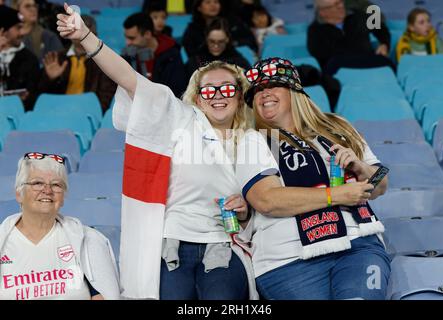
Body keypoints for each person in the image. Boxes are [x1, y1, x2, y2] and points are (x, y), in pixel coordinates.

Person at [56, 4, 280, 300]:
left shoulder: (254, 139)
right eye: (208, 90)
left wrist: (247, 209)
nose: (217, 97)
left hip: (226, 242)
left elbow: (268, 200)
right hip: (172, 243)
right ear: (197, 99)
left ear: (239, 97)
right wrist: (85, 36)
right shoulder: (179, 117)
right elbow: (128, 78)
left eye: (226, 89)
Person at [240, 57, 391, 299]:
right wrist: (336, 195)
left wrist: (360, 167)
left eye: (272, 85)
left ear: (294, 90)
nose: (263, 94)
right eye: (256, 90)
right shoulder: (253, 140)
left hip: (357, 246)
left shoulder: (338, 126)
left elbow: (381, 180)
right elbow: (266, 199)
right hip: (288, 259)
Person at [0, 152, 121, 300]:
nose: (47, 191)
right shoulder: (3, 241)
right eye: (37, 183)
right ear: (19, 194)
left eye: (56, 185)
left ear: (63, 197)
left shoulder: (89, 240)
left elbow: (106, 296)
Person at [38, 15, 116, 113]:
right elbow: (43, 97)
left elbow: (105, 97)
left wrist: (91, 114)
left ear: (95, 34)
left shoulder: (104, 61)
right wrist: (51, 79)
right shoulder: (57, 58)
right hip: (57, 112)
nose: (78, 33)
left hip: (87, 114)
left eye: (83, 29)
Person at [307, 0, 393, 75]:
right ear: (323, 12)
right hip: (340, 71)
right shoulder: (315, 31)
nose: (341, 6)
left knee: (387, 63)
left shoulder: (359, 16)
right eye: (336, 4)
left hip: (369, 63)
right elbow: (321, 56)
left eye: (340, 1)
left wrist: (384, 44)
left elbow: (381, 29)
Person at [122, 12, 186, 98]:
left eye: (132, 38)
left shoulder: (171, 55)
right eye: (126, 37)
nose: (127, 43)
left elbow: (177, 90)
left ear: (147, 34)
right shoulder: (128, 56)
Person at [182, 0, 258, 58]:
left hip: (233, 60)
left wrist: (230, 44)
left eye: (216, 2)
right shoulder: (192, 30)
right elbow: (192, 54)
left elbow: (250, 41)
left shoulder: (233, 22)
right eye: (208, 2)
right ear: (199, 8)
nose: (213, 5)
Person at [0, 5, 40, 111]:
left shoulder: (29, 59)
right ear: (3, 31)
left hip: (16, 117)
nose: (22, 33)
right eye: (18, 27)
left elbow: (33, 97)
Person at [185, 17, 251, 79]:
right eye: (212, 41)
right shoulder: (195, 61)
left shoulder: (239, 62)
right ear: (206, 39)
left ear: (227, 39)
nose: (216, 46)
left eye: (221, 42)